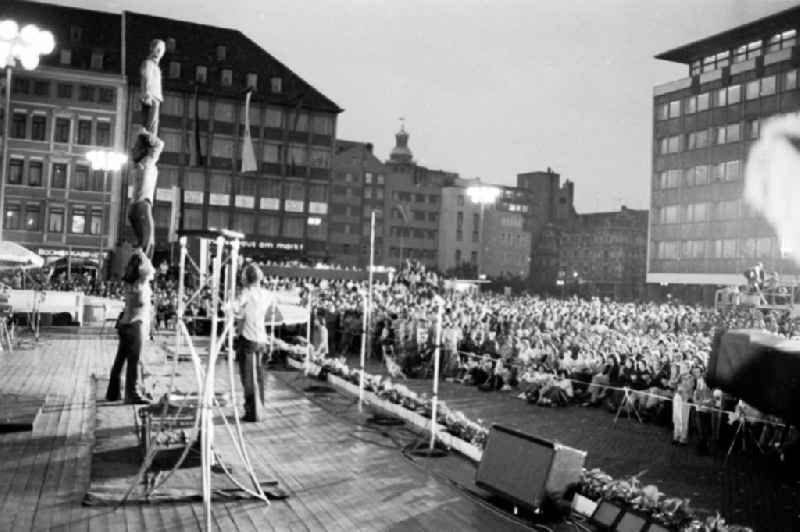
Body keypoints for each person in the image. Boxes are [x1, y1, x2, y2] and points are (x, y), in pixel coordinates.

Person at [106, 250, 154, 404]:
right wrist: (143, 255)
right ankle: (132, 394)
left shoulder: (129, 282)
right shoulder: (142, 282)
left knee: (120, 360)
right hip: (136, 324)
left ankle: (113, 393)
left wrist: (138, 256)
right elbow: (150, 270)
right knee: (134, 362)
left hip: (125, 324)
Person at [232, 263, 275, 422]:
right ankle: (260, 408)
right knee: (259, 376)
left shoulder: (247, 293)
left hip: (248, 339)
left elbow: (235, 306)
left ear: (246, 278)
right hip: (262, 339)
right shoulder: (267, 294)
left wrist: (229, 307)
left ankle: (252, 412)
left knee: (248, 377)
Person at [129, 131, 164, 260]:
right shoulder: (147, 162)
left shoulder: (140, 165)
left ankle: (137, 272)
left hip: (134, 208)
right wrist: (145, 133)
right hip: (142, 207)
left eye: (136, 147)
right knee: (148, 246)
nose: (133, 149)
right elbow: (159, 144)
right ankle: (141, 275)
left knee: (143, 244)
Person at [139, 38, 165, 135]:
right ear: (152, 49)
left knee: (152, 125)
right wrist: (147, 94)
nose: (159, 52)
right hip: (151, 97)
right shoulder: (148, 63)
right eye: (158, 49)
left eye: (161, 50)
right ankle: (149, 142)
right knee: (151, 125)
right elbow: (146, 78)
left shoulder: (155, 66)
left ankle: (149, 141)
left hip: (155, 97)